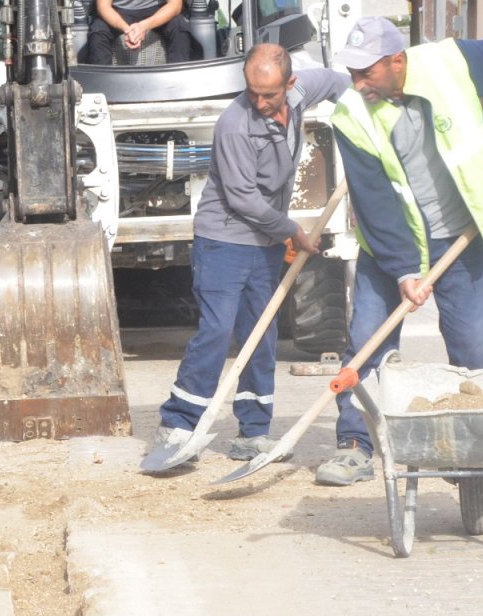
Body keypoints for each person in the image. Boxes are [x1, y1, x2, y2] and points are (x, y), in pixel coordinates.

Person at [316, 17, 483, 485]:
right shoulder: (352, 115)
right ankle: (355, 443)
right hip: (390, 247)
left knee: (473, 353)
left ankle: (472, 452)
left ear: (397, 61)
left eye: (366, 72)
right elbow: (375, 202)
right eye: (351, 73)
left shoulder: (452, 64)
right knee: (368, 346)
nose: (357, 83)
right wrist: (404, 271)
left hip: (460, 238)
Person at [148, 44, 349, 465]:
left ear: (290, 84)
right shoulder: (235, 124)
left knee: (262, 336)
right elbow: (242, 199)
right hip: (224, 240)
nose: (259, 101)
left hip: (264, 244)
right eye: (252, 91)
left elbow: (335, 81)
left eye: (269, 94)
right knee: (218, 331)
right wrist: (292, 229)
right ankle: (177, 426)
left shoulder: (298, 94)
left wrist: (366, 109)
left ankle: (253, 432)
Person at [85, 0, 192, 64]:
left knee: (179, 27)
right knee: (98, 31)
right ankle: (102, 89)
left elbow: (175, 6)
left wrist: (144, 26)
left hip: (157, 10)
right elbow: (103, 7)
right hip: (117, 11)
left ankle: (177, 85)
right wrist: (127, 29)